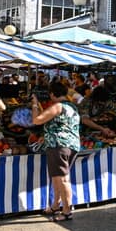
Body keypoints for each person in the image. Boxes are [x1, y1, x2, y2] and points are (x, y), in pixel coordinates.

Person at [31, 81, 80, 222]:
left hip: (59, 146)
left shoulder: (58, 106)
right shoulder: (72, 107)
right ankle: (55, 205)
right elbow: (60, 125)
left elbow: (37, 120)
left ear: (53, 94)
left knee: (63, 179)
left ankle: (67, 211)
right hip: (71, 145)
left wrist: (34, 104)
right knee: (57, 177)